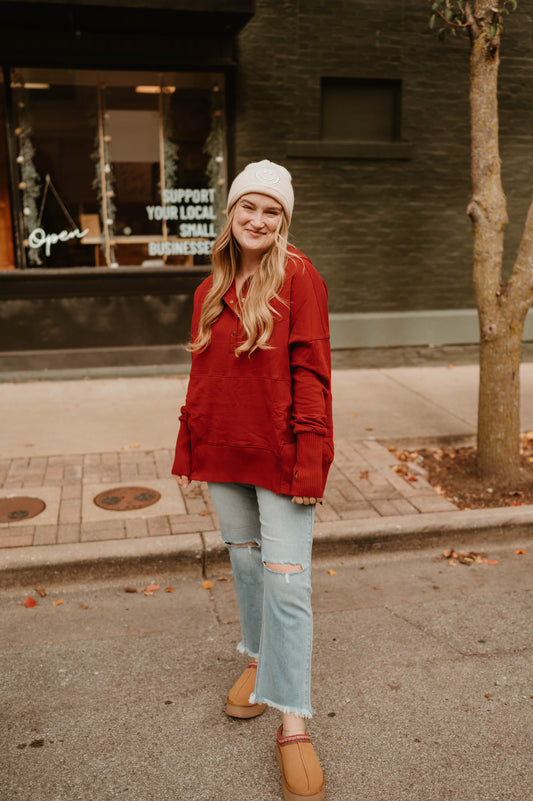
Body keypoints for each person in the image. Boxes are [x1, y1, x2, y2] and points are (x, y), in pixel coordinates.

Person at [172, 159, 333, 801]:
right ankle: (260, 662)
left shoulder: (300, 277)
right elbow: (204, 378)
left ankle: (292, 719)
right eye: (249, 207)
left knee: (286, 584)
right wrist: (191, 448)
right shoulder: (209, 290)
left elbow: (312, 374)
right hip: (225, 454)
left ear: (284, 219)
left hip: (282, 452)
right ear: (231, 213)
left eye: (273, 211)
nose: (259, 220)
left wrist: (310, 459)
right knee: (244, 566)